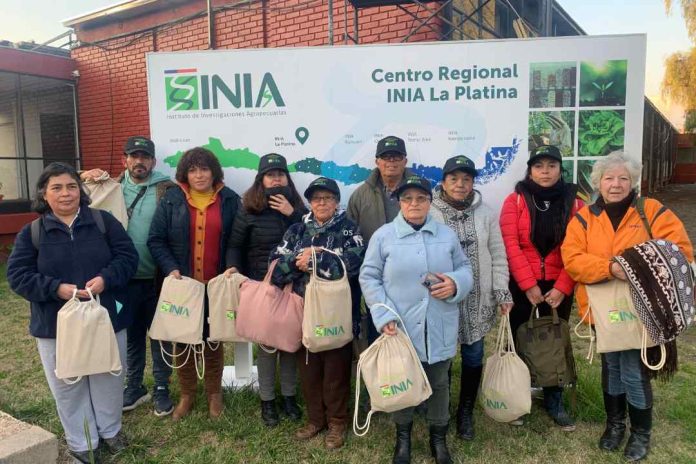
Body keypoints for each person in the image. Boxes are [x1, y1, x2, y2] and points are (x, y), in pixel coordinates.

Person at [561, 152, 693, 462]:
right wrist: (612, 268)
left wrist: (635, 267)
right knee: (612, 369)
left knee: (634, 371)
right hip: (603, 309)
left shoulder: (652, 212)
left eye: (623, 178)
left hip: (644, 308)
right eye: (609, 178)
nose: (616, 184)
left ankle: (640, 434)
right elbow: (572, 260)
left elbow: (679, 252)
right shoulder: (584, 218)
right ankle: (615, 426)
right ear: (598, 183)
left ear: (632, 181)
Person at [7, 162, 139, 463]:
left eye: (70, 186)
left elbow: (128, 257)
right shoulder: (33, 233)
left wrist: (106, 278)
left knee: (108, 375)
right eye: (56, 187)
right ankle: (82, 440)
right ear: (44, 193)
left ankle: (110, 430)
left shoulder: (103, 222)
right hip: (55, 325)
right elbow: (17, 275)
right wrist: (57, 289)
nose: (65, 193)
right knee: (68, 382)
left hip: (106, 317)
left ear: (80, 190)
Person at [360, 175, 473, 464]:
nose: (414, 203)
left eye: (421, 198)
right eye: (407, 198)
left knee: (439, 383)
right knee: (402, 381)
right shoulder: (384, 236)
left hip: (439, 323)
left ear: (429, 202)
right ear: (399, 202)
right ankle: (403, 440)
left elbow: (464, 268)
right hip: (401, 326)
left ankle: (439, 440)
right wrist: (383, 313)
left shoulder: (445, 235)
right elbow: (369, 277)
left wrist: (455, 284)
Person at [81, 135, 177, 417]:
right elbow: (63, 190)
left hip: (158, 278)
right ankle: (134, 385)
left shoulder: (167, 189)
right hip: (123, 280)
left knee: (161, 335)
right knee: (131, 334)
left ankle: (161, 388)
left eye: (145, 157)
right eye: (134, 156)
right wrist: (83, 174)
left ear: (153, 161)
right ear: (125, 160)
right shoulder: (108, 188)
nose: (139, 161)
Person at [270, 177, 365, 450]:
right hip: (302, 308)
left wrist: (316, 260)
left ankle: (337, 421)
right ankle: (316, 419)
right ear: (309, 202)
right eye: (316, 198)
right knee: (308, 366)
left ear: (337, 202)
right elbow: (275, 263)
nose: (321, 202)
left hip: (336, 311)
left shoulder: (349, 229)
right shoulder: (297, 230)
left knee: (336, 366)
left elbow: (354, 262)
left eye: (327, 198)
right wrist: (297, 263)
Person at [147, 147, 240, 421]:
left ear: (214, 172)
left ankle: (214, 395)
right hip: (183, 284)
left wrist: (231, 266)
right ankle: (187, 394)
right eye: (193, 170)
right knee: (183, 339)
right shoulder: (172, 200)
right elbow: (156, 239)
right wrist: (171, 268)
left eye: (204, 169)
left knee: (213, 339)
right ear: (185, 174)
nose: (199, 175)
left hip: (215, 284)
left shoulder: (230, 200)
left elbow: (236, 239)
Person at [499, 144, 583, 430]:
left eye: (551, 165)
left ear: (560, 169)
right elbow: (510, 244)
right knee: (520, 338)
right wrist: (527, 285)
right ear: (530, 170)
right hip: (523, 284)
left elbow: (578, 248)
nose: (545, 171)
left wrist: (563, 286)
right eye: (539, 166)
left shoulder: (575, 202)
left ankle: (553, 398)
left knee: (553, 343)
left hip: (559, 285)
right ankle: (518, 397)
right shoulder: (516, 201)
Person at [430, 155, 513, 441]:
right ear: (443, 182)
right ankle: (442, 406)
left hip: (478, 299)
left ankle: (465, 410)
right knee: (443, 355)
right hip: (441, 298)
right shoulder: (427, 212)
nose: (460, 184)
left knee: (474, 354)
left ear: (473, 183)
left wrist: (502, 290)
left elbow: (499, 255)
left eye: (466, 179)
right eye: (454, 179)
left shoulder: (487, 213)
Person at [225, 153, 307, 427]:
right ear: (261, 179)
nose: (275, 178)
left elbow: (312, 236)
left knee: (290, 344)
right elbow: (235, 245)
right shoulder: (249, 207)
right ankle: (268, 400)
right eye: (270, 174)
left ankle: (288, 396)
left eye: (280, 174)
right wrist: (234, 269)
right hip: (263, 286)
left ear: (287, 178)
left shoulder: (298, 207)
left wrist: (292, 214)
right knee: (268, 345)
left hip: (294, 287)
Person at [348, 135, 413, 343]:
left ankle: (411, 373)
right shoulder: (360, 195)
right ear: (377, 162)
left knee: (410, 331)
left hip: (411, 276)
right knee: (378, 331)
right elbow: (350, 235)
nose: (391, 162)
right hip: (373, 278)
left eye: (396, 157)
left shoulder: (419, 191)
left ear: (405, 161)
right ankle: (381, 373)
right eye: (386, 157)